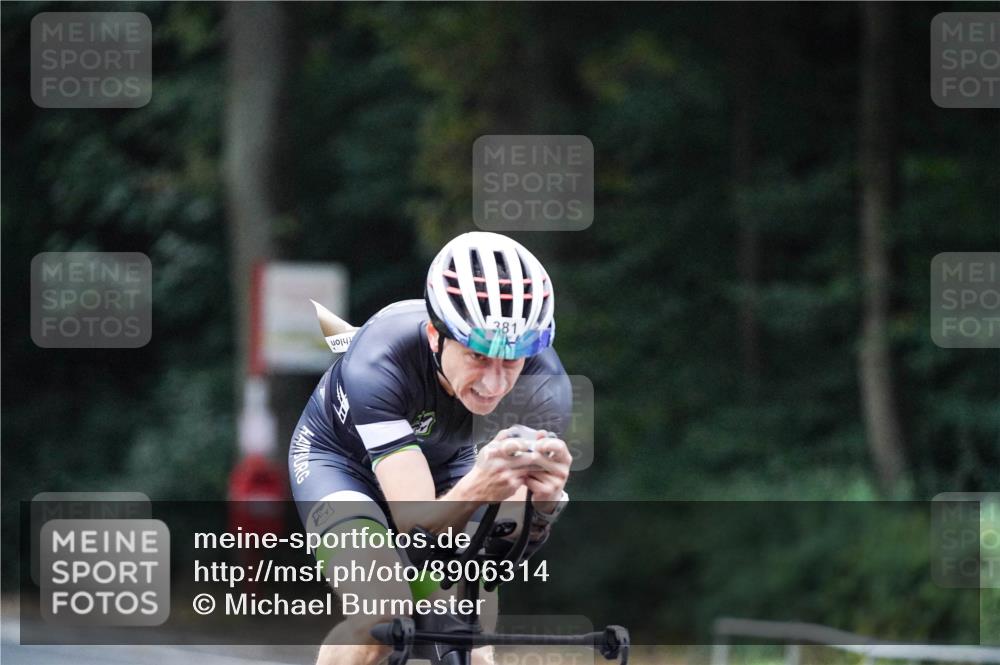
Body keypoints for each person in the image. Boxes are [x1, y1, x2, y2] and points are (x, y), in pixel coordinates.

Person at [289, 231, 573, 665]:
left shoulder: (544, 388)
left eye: (511, 361)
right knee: (383, 616)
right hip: (340, 464)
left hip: (446, 466)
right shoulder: (381, 357)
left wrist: (541, 510)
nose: (495, 383)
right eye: (478, 356)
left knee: (468, 641)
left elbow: (499, 553)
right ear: (434, 335)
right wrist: (481, 486)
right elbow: (415, 526)